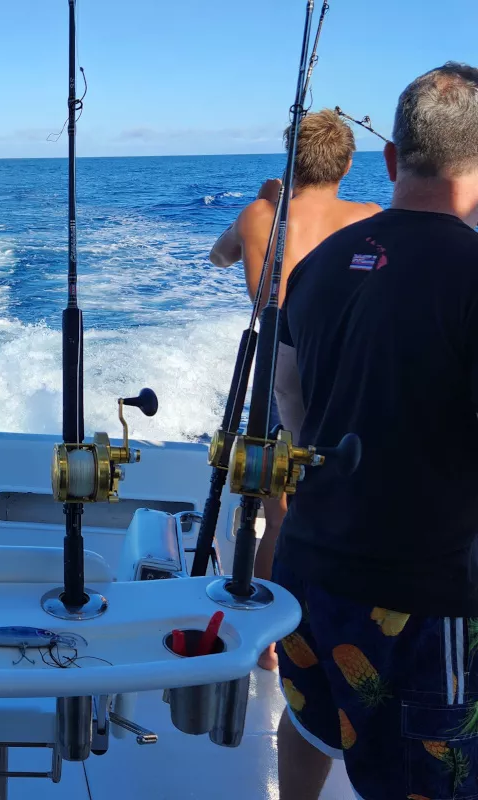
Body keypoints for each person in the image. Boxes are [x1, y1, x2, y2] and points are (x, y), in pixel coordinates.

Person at [274, 62, 478, 800]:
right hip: (422, 597)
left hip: (306, 571)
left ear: (393, 160)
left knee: (307, 724)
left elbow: (289, 399)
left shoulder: (318, 264)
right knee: (433, 776)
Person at [209, 109, 381, 669]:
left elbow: (219, 255)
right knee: (346, 493)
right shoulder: (370, 216)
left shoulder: (261, 214)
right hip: (347, 364)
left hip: (279, 361)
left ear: (289, 160)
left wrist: (263, 205)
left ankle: (270, 647)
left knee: (276, 510)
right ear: (348, 164)